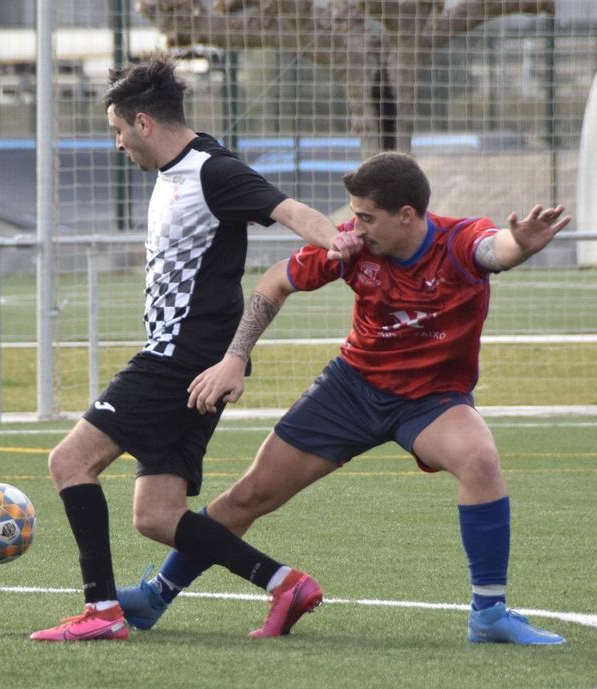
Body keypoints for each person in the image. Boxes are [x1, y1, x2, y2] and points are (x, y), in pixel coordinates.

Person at [117, 151, 570, 645]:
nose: (354, 226)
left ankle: (488, 614)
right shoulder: (351, 247)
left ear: (407, 215)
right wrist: (234, 357)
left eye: (366, 216)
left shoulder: (458, 241)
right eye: (353, 214)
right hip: (351, 390)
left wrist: (520, 245)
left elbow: (494, 250)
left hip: (431, 400)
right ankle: (156, 595)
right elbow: (273, 283)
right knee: (249, 496)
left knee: (480, 459)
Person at [30, 54, 360, 642]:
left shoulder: (212, 169)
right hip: (189, 363)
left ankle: (102, 612)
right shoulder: (174, 174)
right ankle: (286, 584)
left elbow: (287, 208)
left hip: (179, 358)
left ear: (144, 122)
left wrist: (340, 241)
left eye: (118, 131)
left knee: (69, 462)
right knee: (157, 516)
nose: (118, 145)